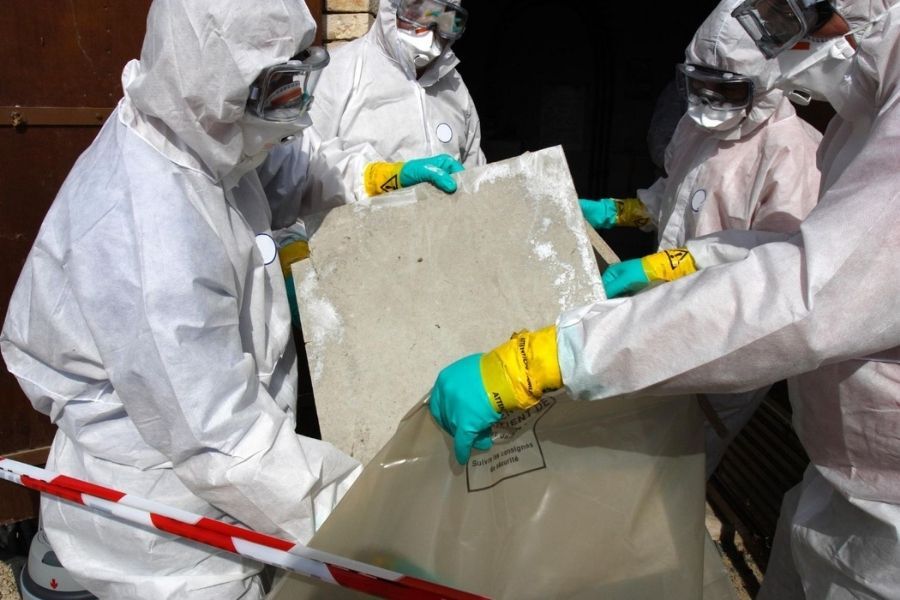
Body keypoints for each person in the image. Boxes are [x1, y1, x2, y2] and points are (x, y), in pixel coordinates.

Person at [428, 0, 900, 597]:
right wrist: (645, 234)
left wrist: (554, 357)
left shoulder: (796, 145)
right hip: (835, 476)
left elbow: (802, 292)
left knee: (664, 467)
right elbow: (730, 227)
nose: (793, 39)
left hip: (882, 513)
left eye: (798, 17)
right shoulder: (856, 116)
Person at [0, 1, 368, 597]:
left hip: (214, 476)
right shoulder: (150, 239)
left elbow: (279, 170)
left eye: (300, 76)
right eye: (278, 88)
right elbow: (223, 438)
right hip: (166, 532)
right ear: (213, 81)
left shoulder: (196, 131)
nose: (295, 110)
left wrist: (370, 179)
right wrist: (372, 522)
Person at [587, 0, 825, 477]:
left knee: (677, 468)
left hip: (726, 338)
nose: (708, 100)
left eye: (724, 88)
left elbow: (773, 269)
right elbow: (677, 196)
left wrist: (662, 268)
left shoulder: (792, 152)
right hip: (663, 313)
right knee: (633, 444)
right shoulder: (696, 127)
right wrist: (621, 211)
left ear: (763, 84)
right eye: (698, 85)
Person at [304, 0, 485, 203]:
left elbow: (475, 175)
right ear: (392, 8)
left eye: (445, 20)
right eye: (418, 12)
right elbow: (303, 173)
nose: (428, 30)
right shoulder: (336, 73)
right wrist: (385, 178)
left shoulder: (454, 86)